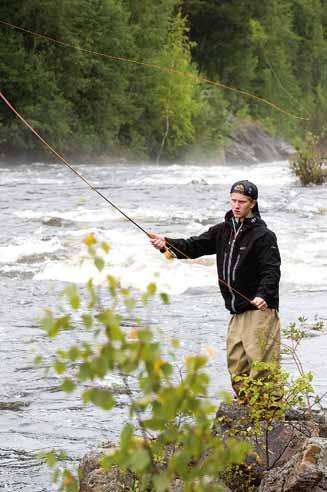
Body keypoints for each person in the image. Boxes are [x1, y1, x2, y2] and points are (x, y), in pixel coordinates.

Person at [149, 180, 281, 395]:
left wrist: (263, 295)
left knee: (262, 369)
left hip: (259, 311)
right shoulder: (223, 231)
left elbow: (272, 270)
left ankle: (270, 419)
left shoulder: (263, 235)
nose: (236, 206)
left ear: (253, 204)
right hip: (236, 311)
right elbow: (193, 246)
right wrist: (166, 243)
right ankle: (248, 415)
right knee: (237, 365)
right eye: (233, 201)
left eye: (242, 202)